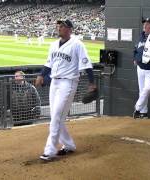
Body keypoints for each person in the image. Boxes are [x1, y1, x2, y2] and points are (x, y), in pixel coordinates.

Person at [35, 19, 96, 161]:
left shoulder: (77, 44)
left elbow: (87, 64)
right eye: (58, 26)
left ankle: (49, 150)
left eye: (62, 26)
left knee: (56, 116)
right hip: (54, 83)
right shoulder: (53, 45)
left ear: (70, 29)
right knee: (56, 117)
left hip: (68, 84)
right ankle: (69, 145)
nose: (59, 28)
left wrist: (92, 83)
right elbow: (48, 64)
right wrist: (41, 75)